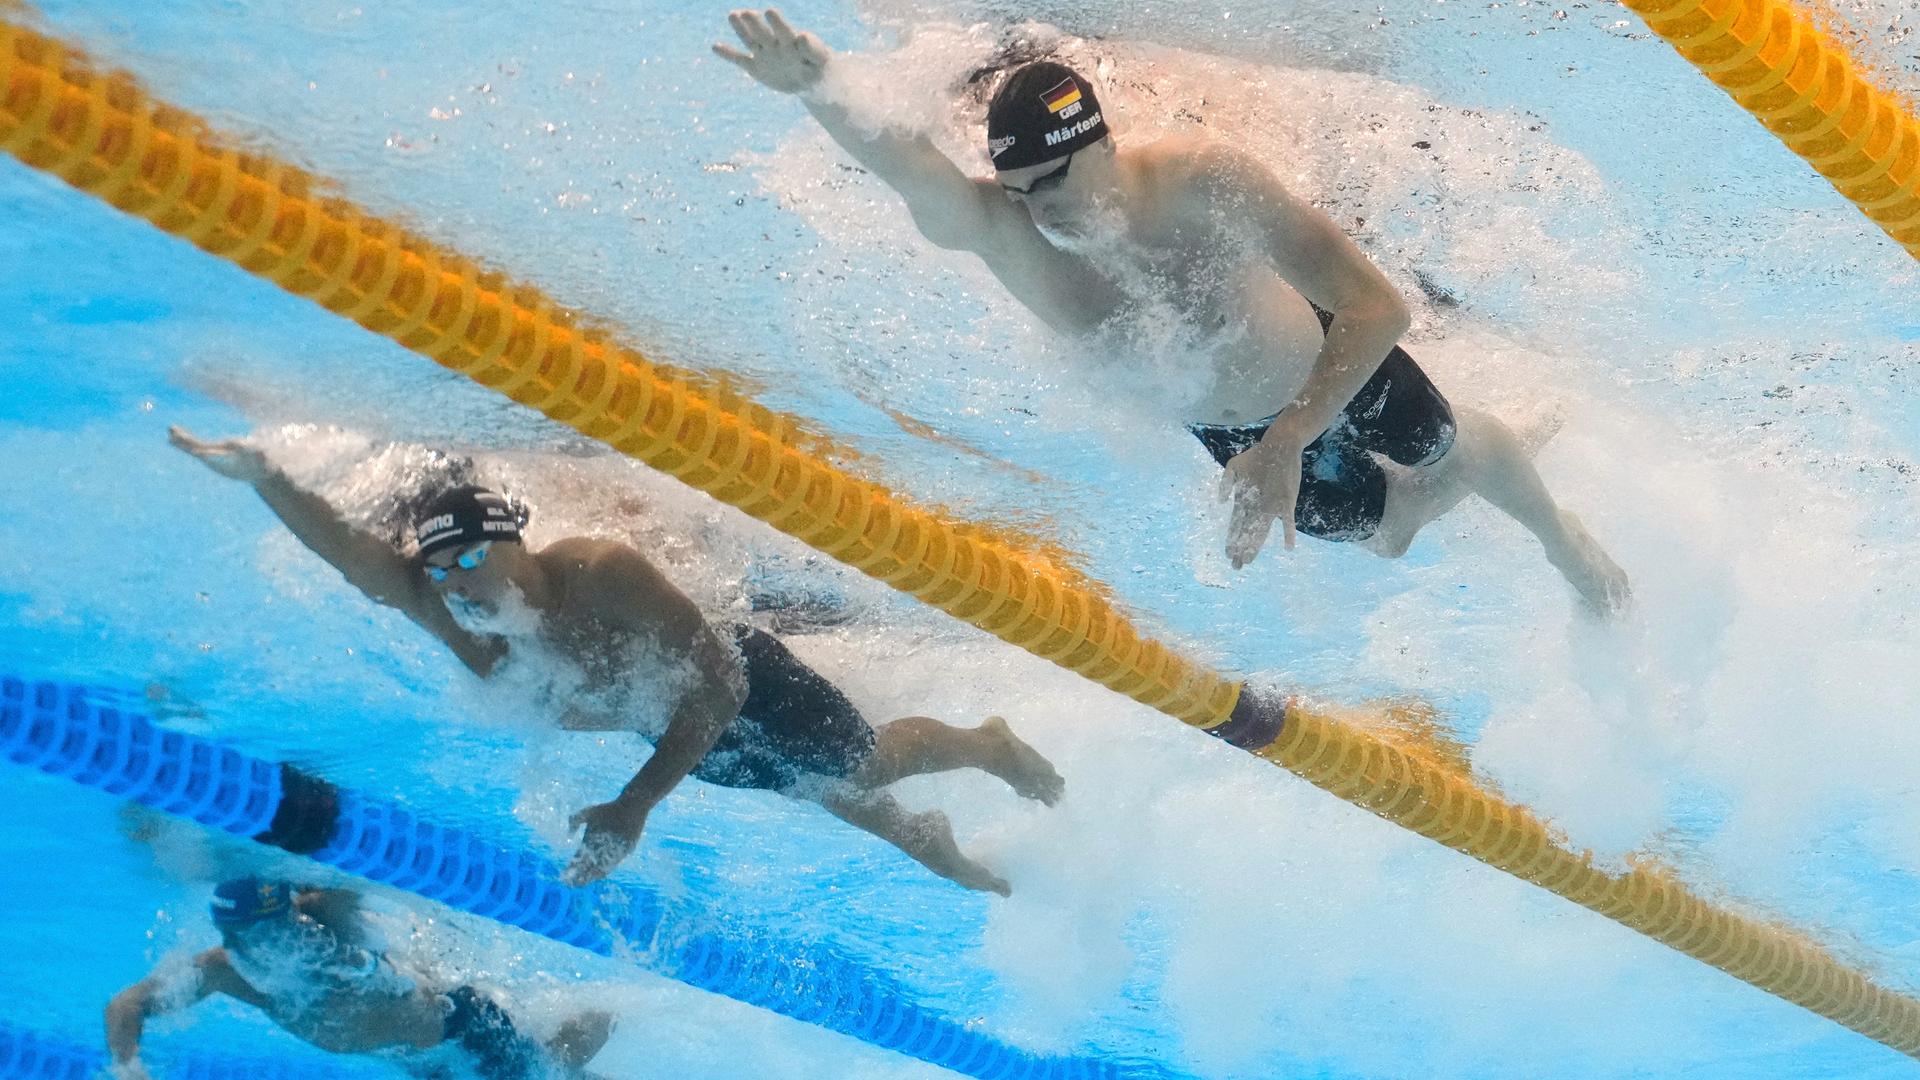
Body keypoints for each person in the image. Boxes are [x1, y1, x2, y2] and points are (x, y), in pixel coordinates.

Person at [713, 10, 1631, 615]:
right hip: (1234, 431)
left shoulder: (1200, 181)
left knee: (1448, 444)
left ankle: (1565, 544)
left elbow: (1376, 306)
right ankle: (1436, 495)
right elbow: (914, 170)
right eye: (1020, 189)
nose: (1043, 208)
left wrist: (1286, 445)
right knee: (1385, 535)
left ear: (1102, 143)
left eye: (1057, 178)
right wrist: (820, 90)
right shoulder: (1010, 234)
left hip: (1326, 363)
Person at [167, 427, 1063, 895]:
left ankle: (986, 743)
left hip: (732, 683)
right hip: (666, 725)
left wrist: (635, 804)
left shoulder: (601, 572)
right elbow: (358, 559)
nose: (457, 584)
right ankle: (931, 840)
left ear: (515, 540)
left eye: (472, 559)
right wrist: (267, 478)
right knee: (813, 789)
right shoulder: (461, 619)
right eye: (439, 572)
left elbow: (722, 687)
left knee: (861, 763)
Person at [105, 877, 613, 1080]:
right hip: (419, 1059)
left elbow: (345, 882)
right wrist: (128, 1068)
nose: (264, 944)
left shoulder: (326, 917)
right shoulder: (226, 970)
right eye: (248, 935)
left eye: (276, 929)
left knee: (551, 1073)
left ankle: (616, 1013)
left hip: (461, 1025)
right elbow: (125, 1005)